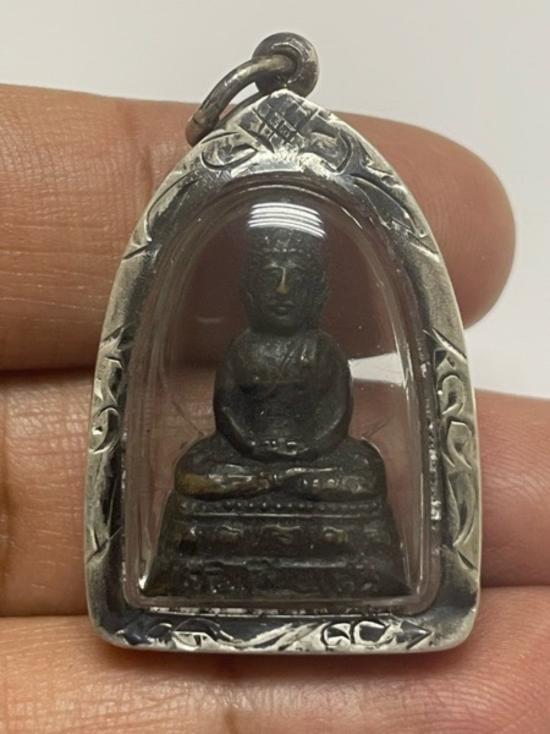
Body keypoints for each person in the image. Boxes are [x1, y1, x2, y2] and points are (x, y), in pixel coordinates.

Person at [2, 83, 549, 733]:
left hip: (317, 464)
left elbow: (336, 417)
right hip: (245, 462)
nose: (283, 289)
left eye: (296, 278)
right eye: (270, 278)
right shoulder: (242, 349)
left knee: (362, 470)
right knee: (196, 473)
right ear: (248, 290)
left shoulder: (323, 350)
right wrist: (259, 453)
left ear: (318, 289)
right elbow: (228, 414)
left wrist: (302, 454)